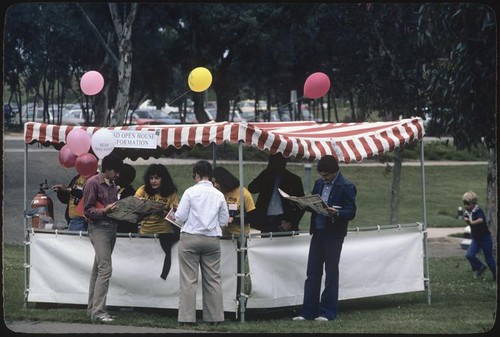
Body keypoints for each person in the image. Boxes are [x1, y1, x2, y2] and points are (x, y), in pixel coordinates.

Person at [293, 155, 357, 322]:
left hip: (334, 235)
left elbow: (351, 212)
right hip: (318, 232)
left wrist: (337, 212)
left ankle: (327, 312)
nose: (324, 178)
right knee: (312, 273)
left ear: (335, 172)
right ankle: (308, 312)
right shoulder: (319, 183)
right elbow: (316, 204)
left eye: (327, 175)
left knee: (331, 273)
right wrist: (303, 203)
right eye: (322, 174)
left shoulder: (346, 186)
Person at [174, 160, 229, 324]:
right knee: (213, 280)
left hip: (190, 237)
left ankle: (187, 318)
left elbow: (180, 217)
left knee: (188, 280)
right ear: (210, 175)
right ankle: (215, 317)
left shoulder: (190, 192)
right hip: (211, 238)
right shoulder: (219, 194)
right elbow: (224, 219)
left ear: (196, 174)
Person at [82, 153, 123, 323]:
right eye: (116, 171)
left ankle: (92, 309)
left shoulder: (113, 185)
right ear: (107, 169)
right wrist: (104, 211)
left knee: (98, 269)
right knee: (105, 269)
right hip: (99, 228)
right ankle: (98, 312)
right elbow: (87, 210)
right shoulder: (93, 183)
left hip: (110, 228)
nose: (117, 175)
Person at [212, 166, 256, 298]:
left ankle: (237, 295)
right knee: (222, 268)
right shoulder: (217, 193)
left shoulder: (243, 193)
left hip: (239, 238)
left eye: (216, 182)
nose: (215, 185)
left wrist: (234, 219)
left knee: (236, 269)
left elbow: (253, 217)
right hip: (221, 237)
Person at [135, 164, 180, 280]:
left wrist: (164, 212)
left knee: (158, 266)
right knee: (145, 268)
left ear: (163, 179)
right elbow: (133, 205)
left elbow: (177, 217)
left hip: (163, 235)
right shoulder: (143, 189)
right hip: (145, 234)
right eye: (151, 178)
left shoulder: (171, 193)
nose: (153, 181)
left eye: (157, 178)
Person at [247, 152, 305, 233]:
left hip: (284, 220)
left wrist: (292, 222)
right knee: (266, 243)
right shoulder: (267, 176)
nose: (276, 167)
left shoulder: (293, 180)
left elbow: (301, 204)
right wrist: (266, 173)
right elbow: (252, 188)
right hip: (267, 219)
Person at [462, 191, 496, 281]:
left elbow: (480, 220)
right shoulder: (468, 211)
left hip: (485, 238)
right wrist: (466, 219)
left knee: (489, 259)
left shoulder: (478, 210)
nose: (466, 206)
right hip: (476, 239)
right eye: (464, 203)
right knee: (469, 255)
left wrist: (472, 222)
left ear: (473, 203)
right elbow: (465, 216)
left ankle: (496, 276)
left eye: (467, 204)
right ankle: (480, 267)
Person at [115, 163, 138, 234]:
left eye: (118, 174)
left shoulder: (130, 192)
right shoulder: (117, 189)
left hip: (126, 229)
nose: (116, 176)